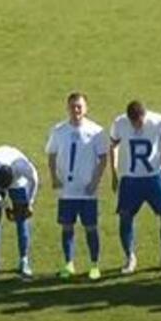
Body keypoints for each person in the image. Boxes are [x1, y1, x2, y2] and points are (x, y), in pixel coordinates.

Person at [110, 100, 161, 275]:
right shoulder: (120, 123)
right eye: (133, 122)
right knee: (125, 217)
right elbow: (113, 144)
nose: (137, 126)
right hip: (131, 179)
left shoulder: (158, 121)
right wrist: (114, 171)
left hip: (155, 177)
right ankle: (129, 257)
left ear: (144, 115)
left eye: (139, 122)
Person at [46, 92, 108, 281]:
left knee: (91, 228)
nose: (76, 110)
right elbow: (51, 154)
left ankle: (94, 265)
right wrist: (54, 177)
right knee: (67, 228)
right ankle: (68, 264)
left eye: (79, 106)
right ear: (67, 108)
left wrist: (94, 182)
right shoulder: (59, 130)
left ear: (86, 108)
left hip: (87, 191)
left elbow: (103, 159)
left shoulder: (96, 131)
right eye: (73, 106)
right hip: (67, 191)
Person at [0, 146, 39, 279]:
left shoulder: (22, 167)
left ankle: (24, 260)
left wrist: (30, 203)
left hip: (18, 183)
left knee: (22, 218)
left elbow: (34, 181)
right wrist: (6, 207)